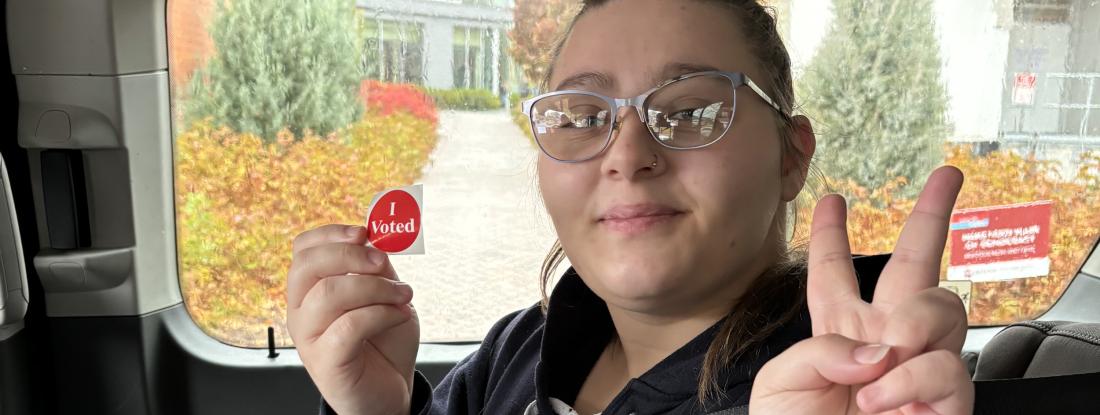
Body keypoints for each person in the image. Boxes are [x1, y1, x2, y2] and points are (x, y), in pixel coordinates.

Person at [286, 0, 974, 413]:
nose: (626, 152)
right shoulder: (518, 349)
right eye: (583, 114)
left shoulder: (856, 386)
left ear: (790, 155)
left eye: (692, 109)